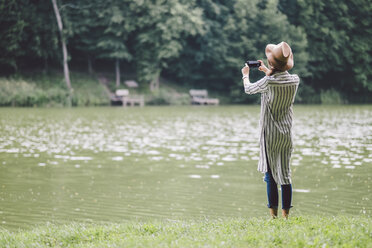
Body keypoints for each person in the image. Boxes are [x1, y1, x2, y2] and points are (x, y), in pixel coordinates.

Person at [241, 41, 300, 219]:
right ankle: (286, 215)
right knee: (285, 174)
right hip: (286, 134)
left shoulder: (269, 82)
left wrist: (245, 75)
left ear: (273, 63)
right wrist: (268, 70)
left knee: (271, 175)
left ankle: (273, 216)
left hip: (270, 135)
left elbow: (249, 89)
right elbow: (278, 79)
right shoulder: (294, 80)